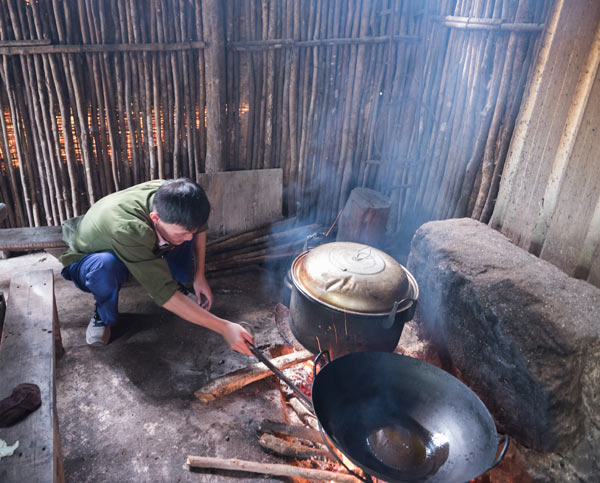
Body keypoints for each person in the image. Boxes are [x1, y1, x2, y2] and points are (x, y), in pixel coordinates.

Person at [58, 178, 254, 355]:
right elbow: (164, 294)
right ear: (155, 218)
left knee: (183, 236)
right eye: (182, 232)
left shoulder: (178, 197)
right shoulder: (129, 229)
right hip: (89, 257)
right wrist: (224, 327)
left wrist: (199, 275)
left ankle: (175, 281)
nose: (189, 238)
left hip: (135, 241)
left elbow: (196, 228)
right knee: (105, 266)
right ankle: (103, 314)